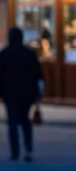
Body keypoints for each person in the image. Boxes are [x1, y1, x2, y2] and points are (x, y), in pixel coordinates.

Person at [0, 27, 44, 162]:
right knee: (26, 121)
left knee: (12, 123)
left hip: (10, 94)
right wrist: (38, 93)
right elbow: (38, 74)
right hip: (27, 94)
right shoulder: (29, 54)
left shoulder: (5, 54)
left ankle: (15, 151)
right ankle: (28, 149)